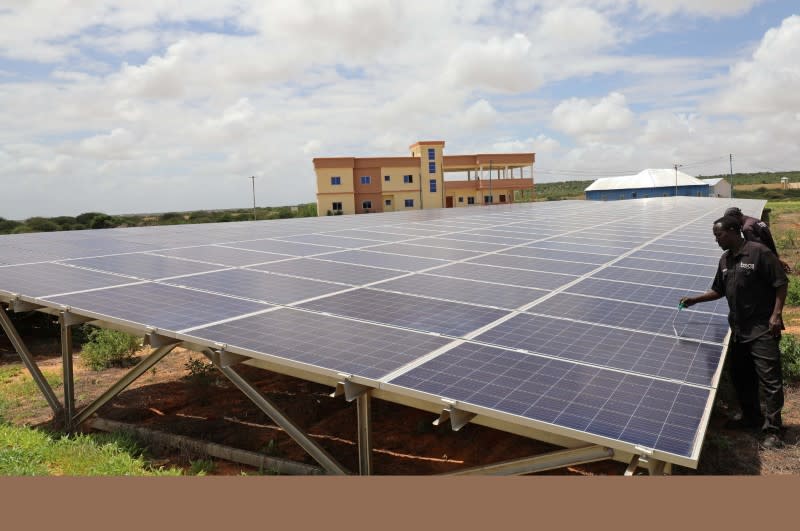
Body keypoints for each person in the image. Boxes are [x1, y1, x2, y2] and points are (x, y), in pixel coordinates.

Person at [680, 215, 788, 449]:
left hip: (762, 328)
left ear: (732, 231)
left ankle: (774, 430)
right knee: (742, 376)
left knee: (769, 380)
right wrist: (695, 300)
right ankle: (751, 417)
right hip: (739, 329)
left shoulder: (759, 253)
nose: (716, 239)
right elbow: (718, 290)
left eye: (718, 235)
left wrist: (776, 315)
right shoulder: (725, 260)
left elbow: (781, 283)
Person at [724, 206, 790, 272]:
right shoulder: (755, 220)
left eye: (730, 220)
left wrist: (776, 262)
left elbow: (759, 249)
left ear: (735, 216)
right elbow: (766, 243)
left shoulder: (747, 228)